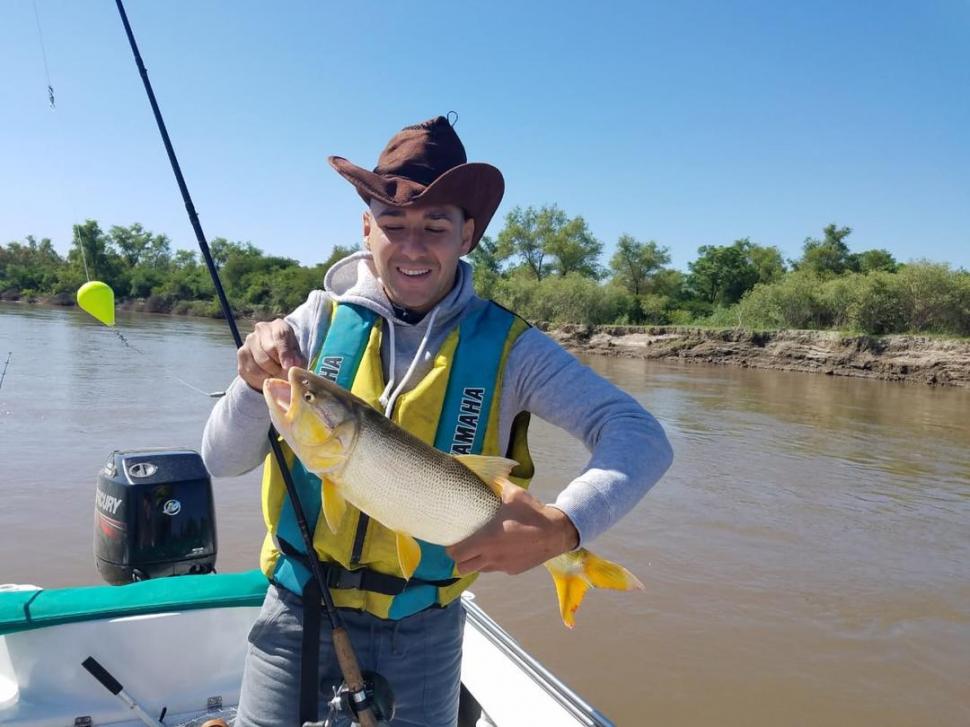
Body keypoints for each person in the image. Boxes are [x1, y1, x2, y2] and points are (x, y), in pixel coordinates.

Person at [201, 115, 673, 726]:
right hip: (295, 609)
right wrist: (251, 383)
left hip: (424, 628)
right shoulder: (313, 325)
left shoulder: (514, 350)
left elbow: (640, 436)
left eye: (436, 226)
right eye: (393, 225)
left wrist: (565, 527)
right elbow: (221, 459)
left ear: (467, 234)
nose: (413, 246)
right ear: (367, 227)